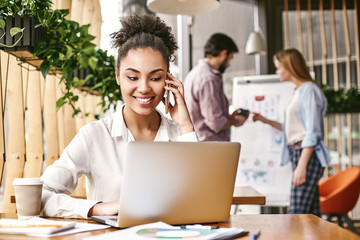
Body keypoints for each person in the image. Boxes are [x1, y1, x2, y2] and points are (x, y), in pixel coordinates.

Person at [40, 14, 197, 218]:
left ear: (169, 79)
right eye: (132, 77)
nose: (144, 88)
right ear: (117, 77)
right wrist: (97, 208)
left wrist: (186, 125)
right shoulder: (94, 136)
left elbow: (202, 197)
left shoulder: (180, 135)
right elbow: (42, 194)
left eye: (156, 78)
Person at [252, 48, 331, 216]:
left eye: (279, 67)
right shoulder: (298, 91)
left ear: (290, 67)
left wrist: (302, 166)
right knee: (311, 214)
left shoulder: (309, 91)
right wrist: (264, 119)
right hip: (299, 154)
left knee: (296, 213)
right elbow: (291, 128)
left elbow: (312, 132)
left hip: (307, 156)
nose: (277, 71)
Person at [184, 33, 248, 142]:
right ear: (223, 54)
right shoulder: (208, 79)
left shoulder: (195, 73)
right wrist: (235, 121)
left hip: (200, 145)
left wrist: (229, 118)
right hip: (210, 147)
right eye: (230, 58)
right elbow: (215, 123)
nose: (228, 64)